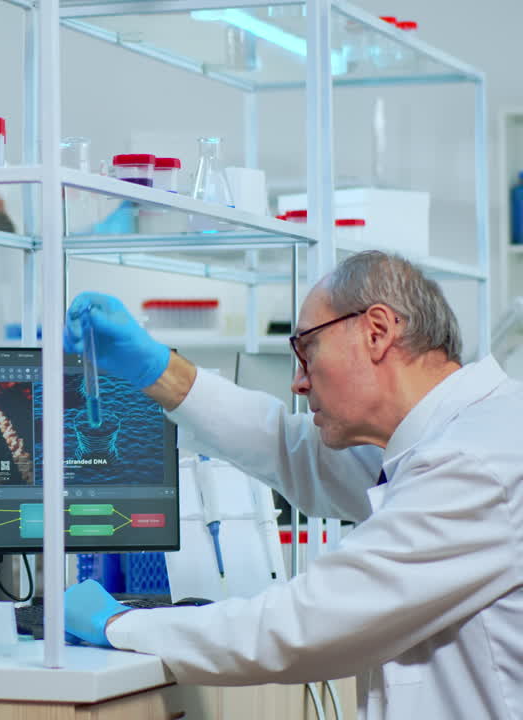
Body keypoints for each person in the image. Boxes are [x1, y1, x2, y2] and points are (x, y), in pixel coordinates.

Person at [62, 250, 523, 719]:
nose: (299, 382)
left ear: (377, 332)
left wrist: (122, 624)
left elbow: (308, 621)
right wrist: (157, 369)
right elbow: (286, 446)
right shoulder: (446, 438)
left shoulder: (472, 462)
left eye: (307, 349)